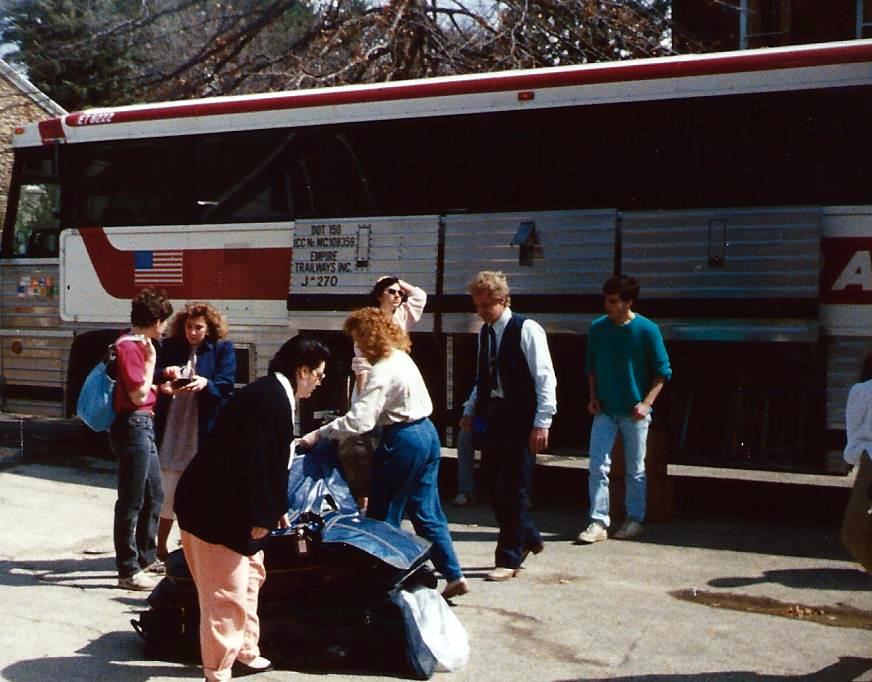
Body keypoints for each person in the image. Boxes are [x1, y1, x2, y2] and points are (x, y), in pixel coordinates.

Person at [174, 335, 329, 682]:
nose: (320, 382)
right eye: (319, 374)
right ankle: (218, 669)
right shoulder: (270, 399)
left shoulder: (273, 394)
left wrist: (275, 508)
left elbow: (270, 461)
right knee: (225, 596)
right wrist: (261, 514)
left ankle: (245, 650)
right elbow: (255, 462)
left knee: (251, 578)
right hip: (215, 513)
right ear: (302, 370)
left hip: (226, 504)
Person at [300, 307, 468, 600]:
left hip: (403, 440)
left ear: (369, 338)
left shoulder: (381, 372)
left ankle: (381, 588)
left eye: (358, 339)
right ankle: (453, 574)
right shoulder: (401, 358)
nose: (357, 346)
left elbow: (359, 421)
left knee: (382, 515)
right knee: (427, 512)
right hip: (427, 434)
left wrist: (320, 433)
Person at [459, 271, 557, 582]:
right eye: (477, 305)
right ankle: (527, 534)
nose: (482, 311)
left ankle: (509, 557)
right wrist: (470, 409)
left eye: (487, 305)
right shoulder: (486, 332)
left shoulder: (527, 329)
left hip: (523, 415)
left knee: (514, 486)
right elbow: (483, 376)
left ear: (504, 300)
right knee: (491, 481)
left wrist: (542, 422)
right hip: (497, 413)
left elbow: (545, 378)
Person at [577, 274, 672, 544]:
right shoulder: (598, 328)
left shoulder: (647, 329)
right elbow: (591, 366)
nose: (608, 305)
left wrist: (646, 403)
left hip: (634, 412)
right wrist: (593, 397)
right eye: (606, 300)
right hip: (606, 410)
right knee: (597, 465)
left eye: (614, 301)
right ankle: (598, 521)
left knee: (635, 468)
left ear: (628, 302)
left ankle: (635, 518)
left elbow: (662, 372)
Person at [154, 302, 236, 561]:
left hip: (203, 426)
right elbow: (154, 375)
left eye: (198, 328)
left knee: (197, 492)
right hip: (175, 423)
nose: (193, 332)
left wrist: (206, 383)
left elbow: (227, 385)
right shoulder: (172, 346)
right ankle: (159, 547)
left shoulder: (223, 349)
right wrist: (166, 378)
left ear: (209, 328)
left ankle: (191, 549)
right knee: (168, 487)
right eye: (189, 327)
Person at [344, 276, 427, 512]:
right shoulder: (368, 321)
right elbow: (361, 366)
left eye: (400, 293)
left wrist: (398, 281)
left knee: (383, 449)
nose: (398, 296)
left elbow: (420, 295)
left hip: (393, 391)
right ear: (379, 294)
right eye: (392, 292)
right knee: (367, 450)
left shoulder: (400, 316)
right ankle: (363, 502)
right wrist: (363, 403)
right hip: (373, 388)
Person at [110, 288, 173, 591]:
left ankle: (146, 557)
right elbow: (136, 393)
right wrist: (150, 365)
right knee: (131, 500)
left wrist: (160, 389)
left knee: (155, 493)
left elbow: (142, 391)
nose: (165, 328)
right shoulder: (131, 347)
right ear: (154, 319)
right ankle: (127, 569)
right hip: (133, 425)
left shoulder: (140, 345)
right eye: (163, 322)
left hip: (143, 422)